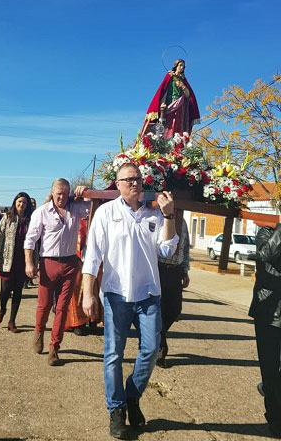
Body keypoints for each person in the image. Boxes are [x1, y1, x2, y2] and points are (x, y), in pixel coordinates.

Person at [82, 162, 179, 439]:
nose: (135, 183)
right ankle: (116, 410)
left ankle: (132, 395)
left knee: (151, 351)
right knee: (113, 354)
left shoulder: (154, 214)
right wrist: (89, 293)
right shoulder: (106, 213)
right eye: (128, 179)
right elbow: (93, 257)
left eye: (137, 178)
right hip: (116, 295)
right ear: (118, 184)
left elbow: (167, 248)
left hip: (149, 294)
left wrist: (169, 215)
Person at [24, 179, 89, 366]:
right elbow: (30, 240)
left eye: (65, 193)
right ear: (52, 192)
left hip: (69, 264)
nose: (61, 197)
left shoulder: (75, 208)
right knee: (43, 306)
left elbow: (95, 205)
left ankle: (55, 347)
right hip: (48, 263)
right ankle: (38, 332)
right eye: (58, 193)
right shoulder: (42, 212)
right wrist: (29, 263)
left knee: (62, 308)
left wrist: (86, 191)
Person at [248, 218, 281, 438]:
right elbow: (268, 255)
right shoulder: (265, 233)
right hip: (269, 313)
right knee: (270, 371)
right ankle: (275, 419)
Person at [0, 193, 37, 333]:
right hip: (7, 259)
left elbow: (36, 242)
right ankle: (3, 309)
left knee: (18, 291)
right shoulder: (7, 217)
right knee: (5, 289)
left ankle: (12, 321)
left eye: (24, 202)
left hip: (23, 260)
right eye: (19, 201)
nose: (22, 204)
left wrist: (35, 263)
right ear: (15, 202)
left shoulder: (31, 220)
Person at [156, 218, 190, 368]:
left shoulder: (182, 221)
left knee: (175, 310)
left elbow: (185, 247)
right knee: (157, 311)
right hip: (158, 268)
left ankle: (155, 340)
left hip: (175, 270)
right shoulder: (157, 218)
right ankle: (160, 348)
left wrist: (185, 271)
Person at [141, 59, 200, 139]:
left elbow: (188, 95)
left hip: (180, 106)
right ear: (176, 66)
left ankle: (176, 142)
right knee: (168, 123)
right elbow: (163, 90)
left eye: (183, 66)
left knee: (178, 124)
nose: (182, 67)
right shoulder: (170, 76)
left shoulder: (183, 80)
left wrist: (183, 86)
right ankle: (165, 139)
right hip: (169, 103)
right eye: (180, 65)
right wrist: (162, 102)